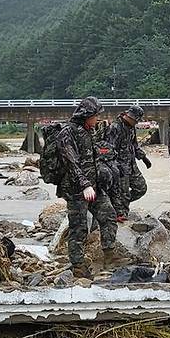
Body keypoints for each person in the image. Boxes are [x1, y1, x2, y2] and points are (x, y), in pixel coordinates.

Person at [56, 96, 118, 279]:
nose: (97, 119)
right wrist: (84, 184)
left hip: (94, 186)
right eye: (95, 116)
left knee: (109, 216)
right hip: (77, 189)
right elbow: (71, 162)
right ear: (87, 115)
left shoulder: (88, 131)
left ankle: (109, 257)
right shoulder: (68, 133)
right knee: (79, 227)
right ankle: (78, 265)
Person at [102, 105, 151, 221]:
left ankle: (117, 202)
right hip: (119, 169)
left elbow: (133, 146)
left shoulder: (131, 127)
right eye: (135, 120)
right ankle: (120, 213)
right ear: (128, 116)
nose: (136, 122)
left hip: (131, 166)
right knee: (123, 193)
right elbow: (108, 151)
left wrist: (143, 158)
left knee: (141, 188)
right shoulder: (115, 127)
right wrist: (116, 167)